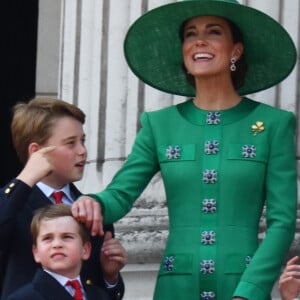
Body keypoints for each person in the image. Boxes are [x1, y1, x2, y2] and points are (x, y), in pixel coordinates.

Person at [72, 0, 298, 299]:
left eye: (214, 32)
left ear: (236, 50)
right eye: (190, 34)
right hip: (176, 285)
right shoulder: (158, 124)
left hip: (242, 282)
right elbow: (121, 194)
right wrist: (94, 203)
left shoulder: (273, 124)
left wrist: (252, 289)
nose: (199, 40)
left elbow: (282, 221)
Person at [0, 97, 126, 300]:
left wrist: (110, 276)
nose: (82, 151)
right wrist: (24, 179)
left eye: (82, 141)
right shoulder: (14, 204)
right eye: (70, 143)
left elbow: (99, 291)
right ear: (36, 151)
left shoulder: (91, 208)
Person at [7, 204, 111, 300]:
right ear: (36, 252)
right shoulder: (23, 298)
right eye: (47, 238)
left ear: (85, 250)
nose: (57, 244)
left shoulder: (99, 295)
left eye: (67, 237)